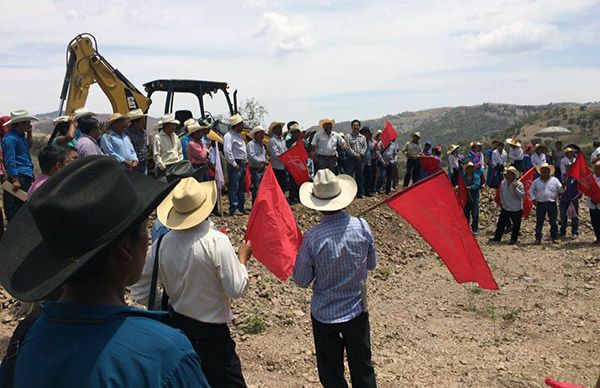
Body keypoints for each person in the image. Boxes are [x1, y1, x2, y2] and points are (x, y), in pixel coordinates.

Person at [0, 156, 210, 387]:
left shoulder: (25, 339)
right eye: (144, 232)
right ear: (126, 249)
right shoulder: (164, 354)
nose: (148, 241)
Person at [132, 177, 251, 388]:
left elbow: (140, 287)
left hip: (178, 326)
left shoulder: (161, 245)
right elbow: (236, 288)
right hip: (213, 334)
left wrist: (164, 305)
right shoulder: (217, 241)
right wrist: (242, 260)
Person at [293, 169, 377, 388]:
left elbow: (301, 280)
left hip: (325, 315)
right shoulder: (362, 227)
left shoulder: (312, 237)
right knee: (363, 367)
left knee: (331, 373)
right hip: (356, 311)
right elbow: (371, 265)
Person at [1, 110, 37, 222]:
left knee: (22, 207)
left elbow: (28, 147)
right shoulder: (10, 139)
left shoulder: (20, 136)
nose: (30, 125)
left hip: (25, 174)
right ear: (20, 124)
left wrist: (30, 133)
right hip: (19, 176)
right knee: (15, 209)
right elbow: (10, 160)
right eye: (28, 123)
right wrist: (15, 179)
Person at [489, 167, 525, 244]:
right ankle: (497, 237)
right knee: (501, 223)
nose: (507, 176)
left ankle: (513, 239)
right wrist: (502, 203)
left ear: (513, 175)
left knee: (516, 225)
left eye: (509, 174)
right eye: (507, 174)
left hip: (516, 208)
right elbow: (501, 194)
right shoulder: (503, 183)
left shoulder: (519, 184)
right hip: (506, 207)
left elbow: (522, 195)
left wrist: (516, 189)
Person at [530, 163, 562, 244]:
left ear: (549, 171)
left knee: (553, 221)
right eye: (543, 169)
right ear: (540, 171)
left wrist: (563, 187)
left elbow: (561, 190)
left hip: (552, 203)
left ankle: (554, 237)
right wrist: (533, 199)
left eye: (546, 169)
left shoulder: (555, 180)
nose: (544, 171)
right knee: (539, 222)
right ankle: (538, 238)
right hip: (540, 204)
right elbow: (531, 191)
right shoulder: (536, 181)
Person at [223, 113, 248, 215]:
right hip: (236, 164)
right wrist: (233, 163)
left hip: (241, 163)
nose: (243, 126)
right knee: (234, 187)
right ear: (237, 124)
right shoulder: (228, 136)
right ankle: (234, 207)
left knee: (240, 186)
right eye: (241, 124)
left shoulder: (238, 136)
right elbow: (228, 151)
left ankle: (241, 206)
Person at [153, 113, 183, 177]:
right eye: (173, 125)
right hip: (165, 167)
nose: (175, 127)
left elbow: (180, 151)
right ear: (166, 125)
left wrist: (180, 162)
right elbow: (156, 155)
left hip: (176, 165)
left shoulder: (175, 136)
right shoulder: (158, 137)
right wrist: (163, 168)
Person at [559, 147, 580, 239]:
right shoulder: (563, 163)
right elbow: (561, 187)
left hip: (574, 196)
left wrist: (579, 194)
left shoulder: (576, 177)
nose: (570, 154)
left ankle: (575, 231)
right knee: (563, 215)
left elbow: (580, 187)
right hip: (565, 196)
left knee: (575, 215)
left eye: (571, 152)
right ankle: (563, 231)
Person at [345, 119, 368, 198]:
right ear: (351, 127)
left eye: (357, 125)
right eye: (354, 126)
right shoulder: (348, 136)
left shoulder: (363, 137)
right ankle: (349, 194)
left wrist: (361, 154)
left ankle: (360, 193)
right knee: (349, 177)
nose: (356, 127)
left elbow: (365, 147)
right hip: (351, 159)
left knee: (360, 177)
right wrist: (355, 155)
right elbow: (348, 148)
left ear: (359, 126)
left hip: (360, 159)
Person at [247, 126, 268, 203]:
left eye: (263, 134)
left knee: (261, 187)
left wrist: (264, 161)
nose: (262, 136)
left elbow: (262, 155)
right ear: (255, 134)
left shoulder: (262, 145)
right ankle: (255, 204)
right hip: (255, 168)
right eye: (260, 134)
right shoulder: (251, 144)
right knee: (256, 187)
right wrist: (263, 161)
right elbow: (252, 156)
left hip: (262, 168)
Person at [286, 122, 306, 204]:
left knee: (300, 181)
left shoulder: (302, 142)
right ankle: (291, 198)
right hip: (292, 163)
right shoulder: (288, 142)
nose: (296, 134)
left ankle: (299, 197)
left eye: (297, 132)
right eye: (294, 132)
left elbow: (307, 149)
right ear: (292, 133)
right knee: (292, 181)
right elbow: (287, 151)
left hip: (300, 163)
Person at [126, 108, 149, 174]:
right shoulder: (127, 133)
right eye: (142, 121)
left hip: (144, 164)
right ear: (135, 122)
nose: (144, 123)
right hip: (134, 165)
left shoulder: (143, 133)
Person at [268, 121, 288, 192]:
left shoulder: (282, 140)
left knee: (283, 186)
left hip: (283, 166)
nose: (280, 129)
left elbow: (286, 151)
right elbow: (275, 154)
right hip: (276, 167)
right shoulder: (273, 140)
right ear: (274, 130)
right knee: (276, 187)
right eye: (278, 128)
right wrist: (284, 157)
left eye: (280, 128)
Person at [462, 162, 481, 235]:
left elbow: (476, 185)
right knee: (466, 214)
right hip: (466, 199)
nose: (470, 170)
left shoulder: (476, 177)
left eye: (471, 168)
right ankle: (466, 229)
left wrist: (469, 188)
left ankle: (475, 229)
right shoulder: (463, 177)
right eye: (469, 168)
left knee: (475, 214)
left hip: (474, 198)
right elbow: (461, 185)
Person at [360, 127, 377, 197]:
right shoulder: (360, 141)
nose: (369, 134)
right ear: (364, 133)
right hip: (362, 162)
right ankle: (362, 192)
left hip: (369, 162)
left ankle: (368, 191)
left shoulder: (370, 142)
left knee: (368, 177)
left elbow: (372, 152)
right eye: (368, 132)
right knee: (362, 178)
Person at [586, 161, 600, 244]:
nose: (596, 170)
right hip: (592, 203)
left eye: (598, 168)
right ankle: (598, 238)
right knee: (595, 222)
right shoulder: (592, 178)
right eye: (595, 168)